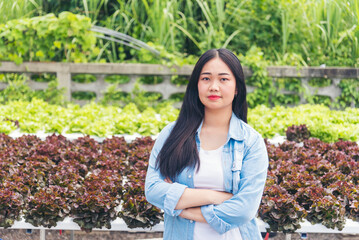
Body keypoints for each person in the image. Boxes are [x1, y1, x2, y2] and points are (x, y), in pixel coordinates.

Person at [145, 48, 268, 240]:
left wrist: (181, 209)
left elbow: (244, 210)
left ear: (237, 88)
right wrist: (216, 197)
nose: (214, 87)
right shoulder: (172, 134)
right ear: (196, 85)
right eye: (206, 78)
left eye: (223, 79)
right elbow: (153, 189)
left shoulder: (250, 142)